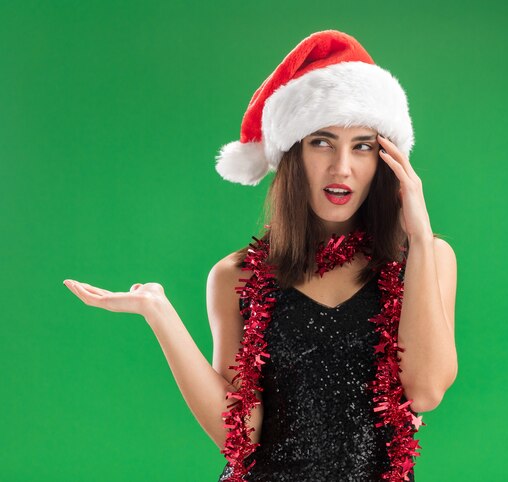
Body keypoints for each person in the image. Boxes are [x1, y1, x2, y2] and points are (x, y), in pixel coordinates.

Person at [63, 30, 458, 482]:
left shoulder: (424, 259)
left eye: (363, 146)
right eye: (321, 142)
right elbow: (241, 436)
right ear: (293, 155)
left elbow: (425, 391)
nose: (342, 166)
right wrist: (159, 313)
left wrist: (421, 237)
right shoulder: (238, 277)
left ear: (387, 161)